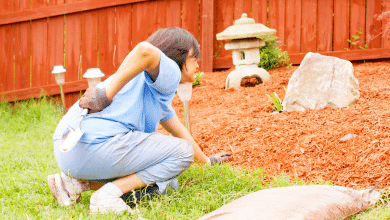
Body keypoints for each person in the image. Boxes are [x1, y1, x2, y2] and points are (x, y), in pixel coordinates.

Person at [47, 27, 231, 214]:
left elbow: (180, 132)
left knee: (168, 182)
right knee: (182, 153)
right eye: (194, 58)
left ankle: (73, 185)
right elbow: (145, 50)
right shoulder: (170, 73)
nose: (198, 65)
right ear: (176, 56)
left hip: (69, 152)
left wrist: (207, 161)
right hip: (95, 147)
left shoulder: (147, 86)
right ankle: (107, 197)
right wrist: (106, 95)